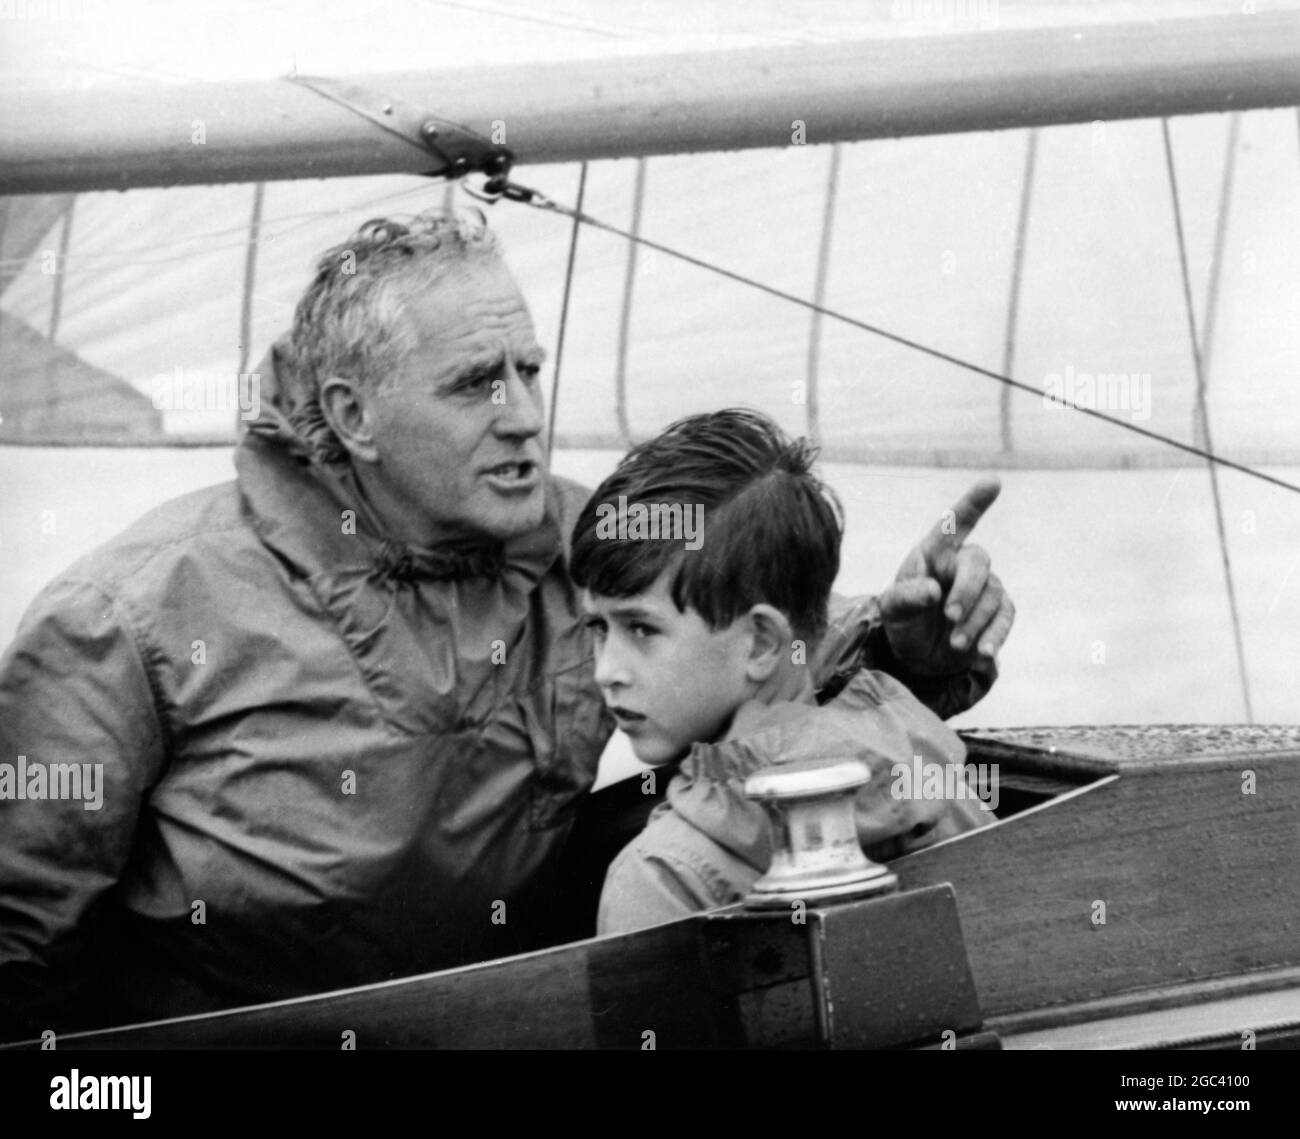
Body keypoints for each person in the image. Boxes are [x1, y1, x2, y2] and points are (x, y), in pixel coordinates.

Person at [0, 209, 1013, 1041]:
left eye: (529, 369)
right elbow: (20, 947)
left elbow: (765, 653)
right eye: (477, 382)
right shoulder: (124, 616)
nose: (525, 412)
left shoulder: (591, 543)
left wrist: (906, 644)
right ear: (353, 415)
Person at [568, 409, 993, 934]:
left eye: (641, 629)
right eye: (597, 628)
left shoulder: (658, 880)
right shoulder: (932, 776)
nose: (606, 670)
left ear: (763, 643)